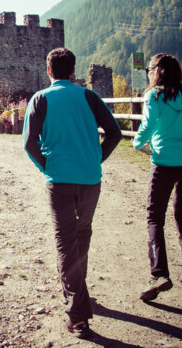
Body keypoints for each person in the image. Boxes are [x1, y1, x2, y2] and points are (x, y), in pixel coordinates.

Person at [23, 47, 121, 339]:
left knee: (66, 243)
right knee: (82, 234)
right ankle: (79, 294)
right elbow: (114, 133)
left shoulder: (40, 98)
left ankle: (77, 316)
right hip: (91, 179)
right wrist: (96, 159)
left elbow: (29, 143)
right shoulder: (89, 97)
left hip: (60, 180)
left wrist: (48, 167)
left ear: (49, 71)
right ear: (74, 71)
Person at [132, 53, 182, 301]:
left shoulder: (154, 96)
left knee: (155, 218)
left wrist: (137, 143)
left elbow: (149, 124)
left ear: (155, 72)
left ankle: (160, 274)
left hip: (164, 164)